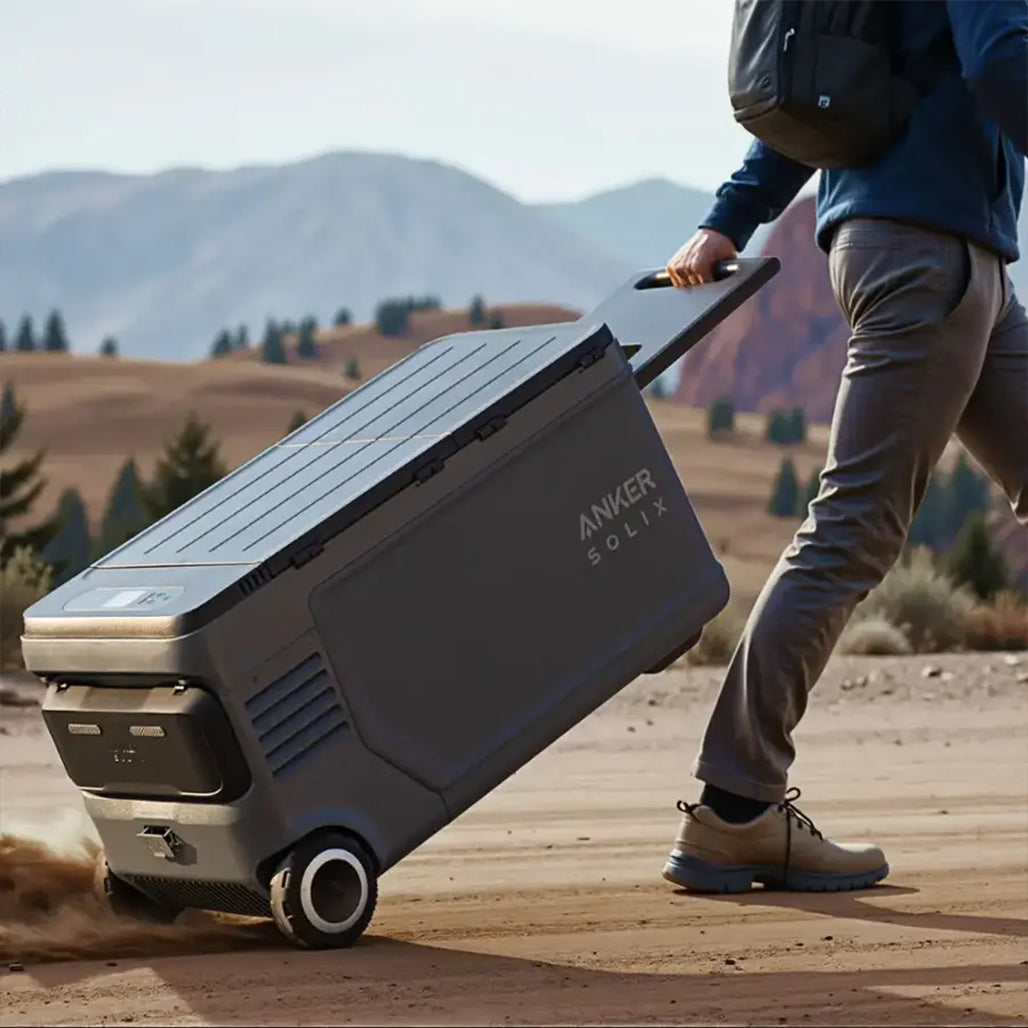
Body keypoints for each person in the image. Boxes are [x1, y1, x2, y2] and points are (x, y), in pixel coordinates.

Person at [662, 0, 1027, 894]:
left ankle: (736, 805)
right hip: (930, 255)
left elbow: (831, 84)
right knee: (852, 529)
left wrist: (731, 215)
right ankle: (735, 808)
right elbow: (1000, 62)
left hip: (927, 250)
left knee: (850, 526)